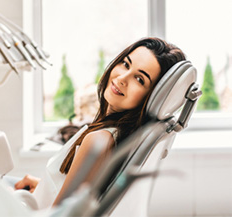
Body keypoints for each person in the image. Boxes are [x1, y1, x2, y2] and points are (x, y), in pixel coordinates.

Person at [13, 37, 186, 209]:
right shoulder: (116, 135)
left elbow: (60, 215)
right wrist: (42, 187)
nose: (122, 78)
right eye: (126, 64)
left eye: (139, 79)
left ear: (152, 98)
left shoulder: (99, 141)